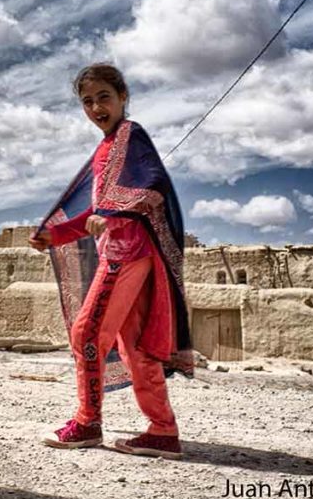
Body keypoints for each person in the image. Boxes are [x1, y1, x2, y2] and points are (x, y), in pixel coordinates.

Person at [30, 63, 193, 460]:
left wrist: (116, 216)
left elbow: (152, 186)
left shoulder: (131, 136)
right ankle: (162, 430)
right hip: (124, 251)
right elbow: (94, 214)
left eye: (104, 97)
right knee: (134, 345)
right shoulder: (106, 148)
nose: (96, 107)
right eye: (87, 101)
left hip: (127, 251)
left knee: (87, 333)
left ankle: (87, 422)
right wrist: (58, 234)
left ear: (123, 98)